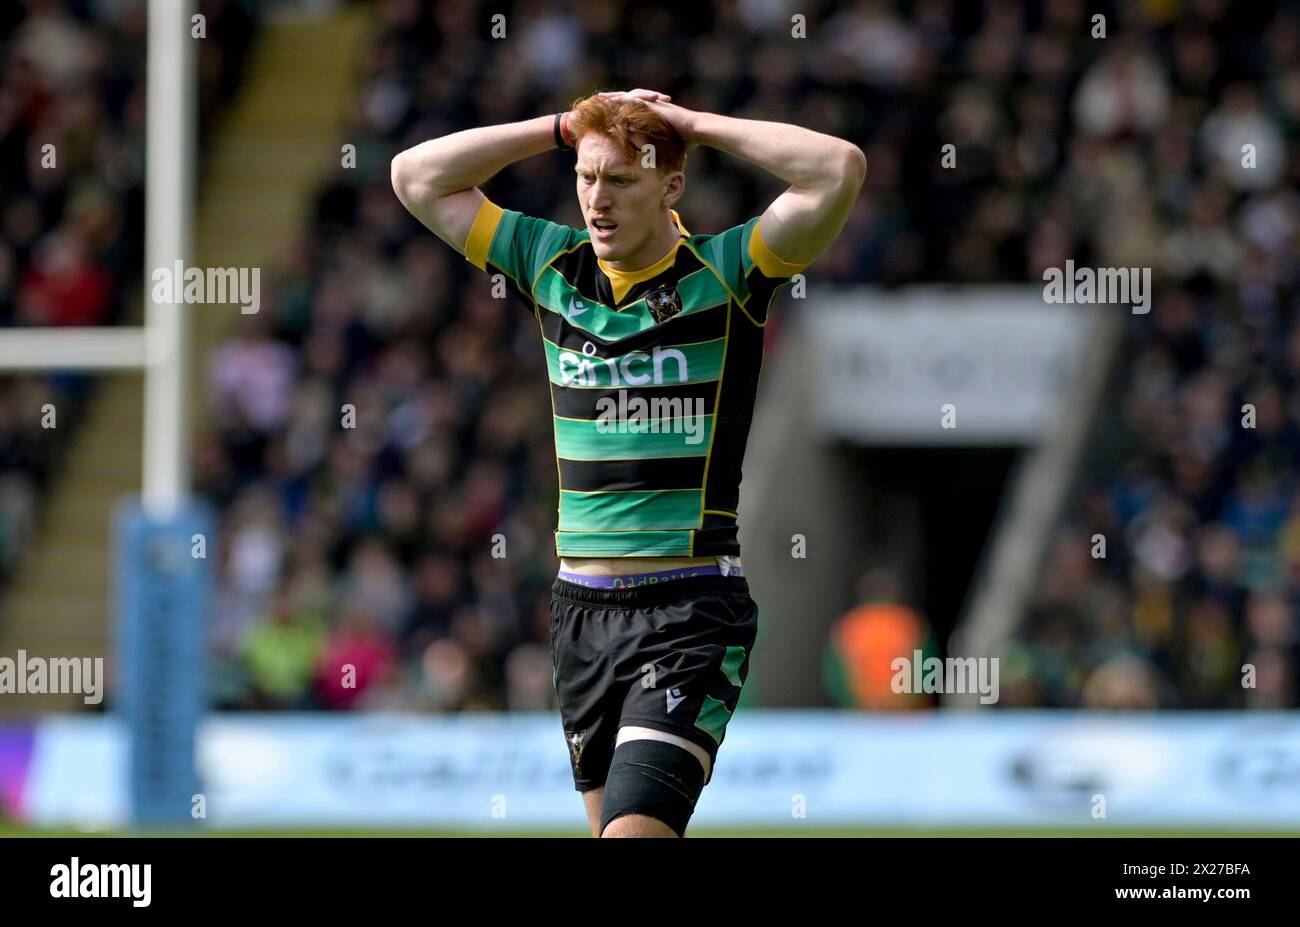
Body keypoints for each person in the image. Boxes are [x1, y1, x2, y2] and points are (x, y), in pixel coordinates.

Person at [391, 88, 865, 836]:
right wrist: (556, 127)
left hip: (687, 611)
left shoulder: (730, 273)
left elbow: (837, 167)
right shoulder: (550, 265)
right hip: (580, 615)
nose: (596, 200)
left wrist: (696, 127)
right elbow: (415, 176)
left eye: (621, 180)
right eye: (585, 177)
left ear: (670, 186)